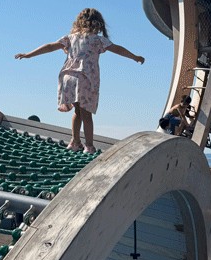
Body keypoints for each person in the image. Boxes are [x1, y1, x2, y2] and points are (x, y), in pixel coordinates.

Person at [15, 8, 144, 154]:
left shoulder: (70, 38)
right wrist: (134, 57)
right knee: (86, 113)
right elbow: (118, 49)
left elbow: (50, 46)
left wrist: (28, 55)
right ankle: (89, 146)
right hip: (85, 78)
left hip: (68, 78)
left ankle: (75, 142)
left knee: (77, 111)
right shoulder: (98, 40)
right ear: (98, 24)